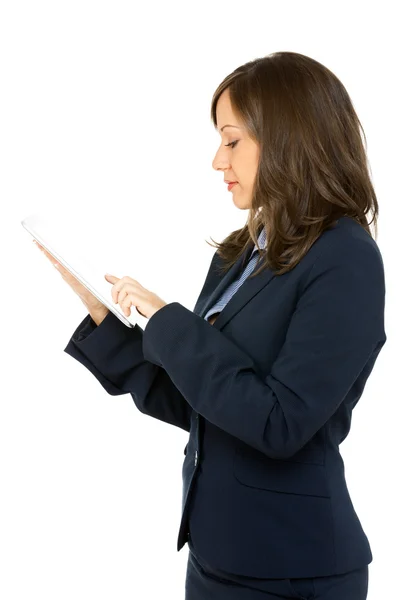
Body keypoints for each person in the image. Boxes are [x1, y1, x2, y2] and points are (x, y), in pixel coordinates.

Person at [35, 51, 386, 599]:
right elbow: (201, 405)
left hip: (293, 571)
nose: (217, 162)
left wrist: (167, 318)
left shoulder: (346, 259)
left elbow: (280, 424)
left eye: (232, 140)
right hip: (216, 555)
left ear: (289, 138)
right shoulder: (239, 254)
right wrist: (105, 319)